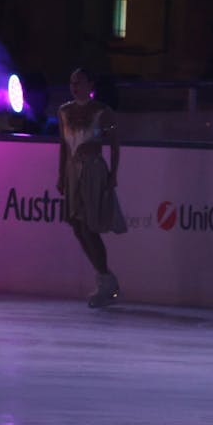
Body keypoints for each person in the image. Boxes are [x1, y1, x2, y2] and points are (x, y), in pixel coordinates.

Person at [56, 68, 127, 307]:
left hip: (93, 170)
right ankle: (104, 277)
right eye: (71, 82)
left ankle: (105, 278)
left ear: (90, 84)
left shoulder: (102, 112)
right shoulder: (64, 111)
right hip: (72, 171)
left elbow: (115, 144)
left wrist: (113, 174)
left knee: (88, 225)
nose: (75, 86)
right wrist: (60, 176)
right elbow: (63, 146)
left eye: (79, 82)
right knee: (77, 225)